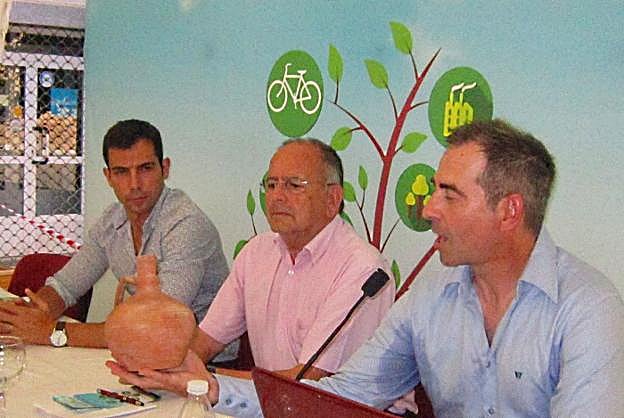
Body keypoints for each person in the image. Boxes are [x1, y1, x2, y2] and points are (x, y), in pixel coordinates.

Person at [112, 119, 624, 418]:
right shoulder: (431, 298)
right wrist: (208, 386)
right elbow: (343, 394)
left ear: (509, 211)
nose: (428, 209)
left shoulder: (587, 309)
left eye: (449, 195)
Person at [107, 138, 395, 391]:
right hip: (267, 403)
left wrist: (204, 379)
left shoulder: (362, 269)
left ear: (332, 199)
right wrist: (163, 372)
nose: (277, 196)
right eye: (271, 184)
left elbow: (309, 382)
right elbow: (206, 341)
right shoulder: (257, 252)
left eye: (294, 185)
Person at [0, 119, 231, 352]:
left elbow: (155, 323)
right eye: (121, 172)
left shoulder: (186, 225)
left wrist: (52, 331)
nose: (134, 184)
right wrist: (26, 317)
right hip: (145, 351)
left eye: (145, 168)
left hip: (203, 360)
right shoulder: (112, 221)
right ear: (108, 176)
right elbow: (65, 286)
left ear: (165, 168)